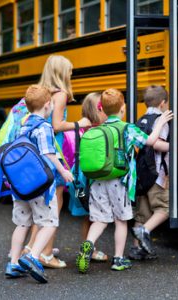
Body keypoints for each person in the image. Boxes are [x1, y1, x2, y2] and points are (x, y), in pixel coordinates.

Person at [0, 55, 91, 269]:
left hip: (33, 158)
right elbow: (57, 125)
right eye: (69, 71)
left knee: (37, 206)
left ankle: (31, 248)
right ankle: (45, 253)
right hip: (51, 154)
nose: (71, 74)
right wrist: (80, 123)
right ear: (61, 72)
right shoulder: (60, 94)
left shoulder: (40, 92)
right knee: (53, 204)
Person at [75, 88, 173, 273]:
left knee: (100, 220)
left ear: (101, 109)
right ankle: (118, 259)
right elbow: (151, 141)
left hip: (97, 181)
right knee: (121, 221)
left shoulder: (98, 128)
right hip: (119, 182)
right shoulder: (127, 128)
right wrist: (160, 123)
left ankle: (88, 244)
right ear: (123, 109)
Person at [6, 85, 74, 283]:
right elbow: (48, 154)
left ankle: (14, 262)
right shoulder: (44, 127)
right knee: (50, 222)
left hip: (20, 185)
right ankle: (33, 256)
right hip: (41, 185)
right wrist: (63, 171)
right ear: (47, 105)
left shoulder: (22, 124)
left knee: (22, 223)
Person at [128, 85, 178, 260]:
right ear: (163, 103)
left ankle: (136, 249)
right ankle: (144, 232)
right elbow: (157, 144)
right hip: (156, 174)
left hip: (141, 173)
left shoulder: (141, 119)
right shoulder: (162, 120)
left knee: (143, 213)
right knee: (165, 207)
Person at [65, 92, 109, 261]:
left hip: (80, 176)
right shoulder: (97, 130)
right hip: (91, 177)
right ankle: (89, 248)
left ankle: (87, 246)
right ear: (98, 110)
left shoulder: (84, 128)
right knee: (94, 214)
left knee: (88, 214)